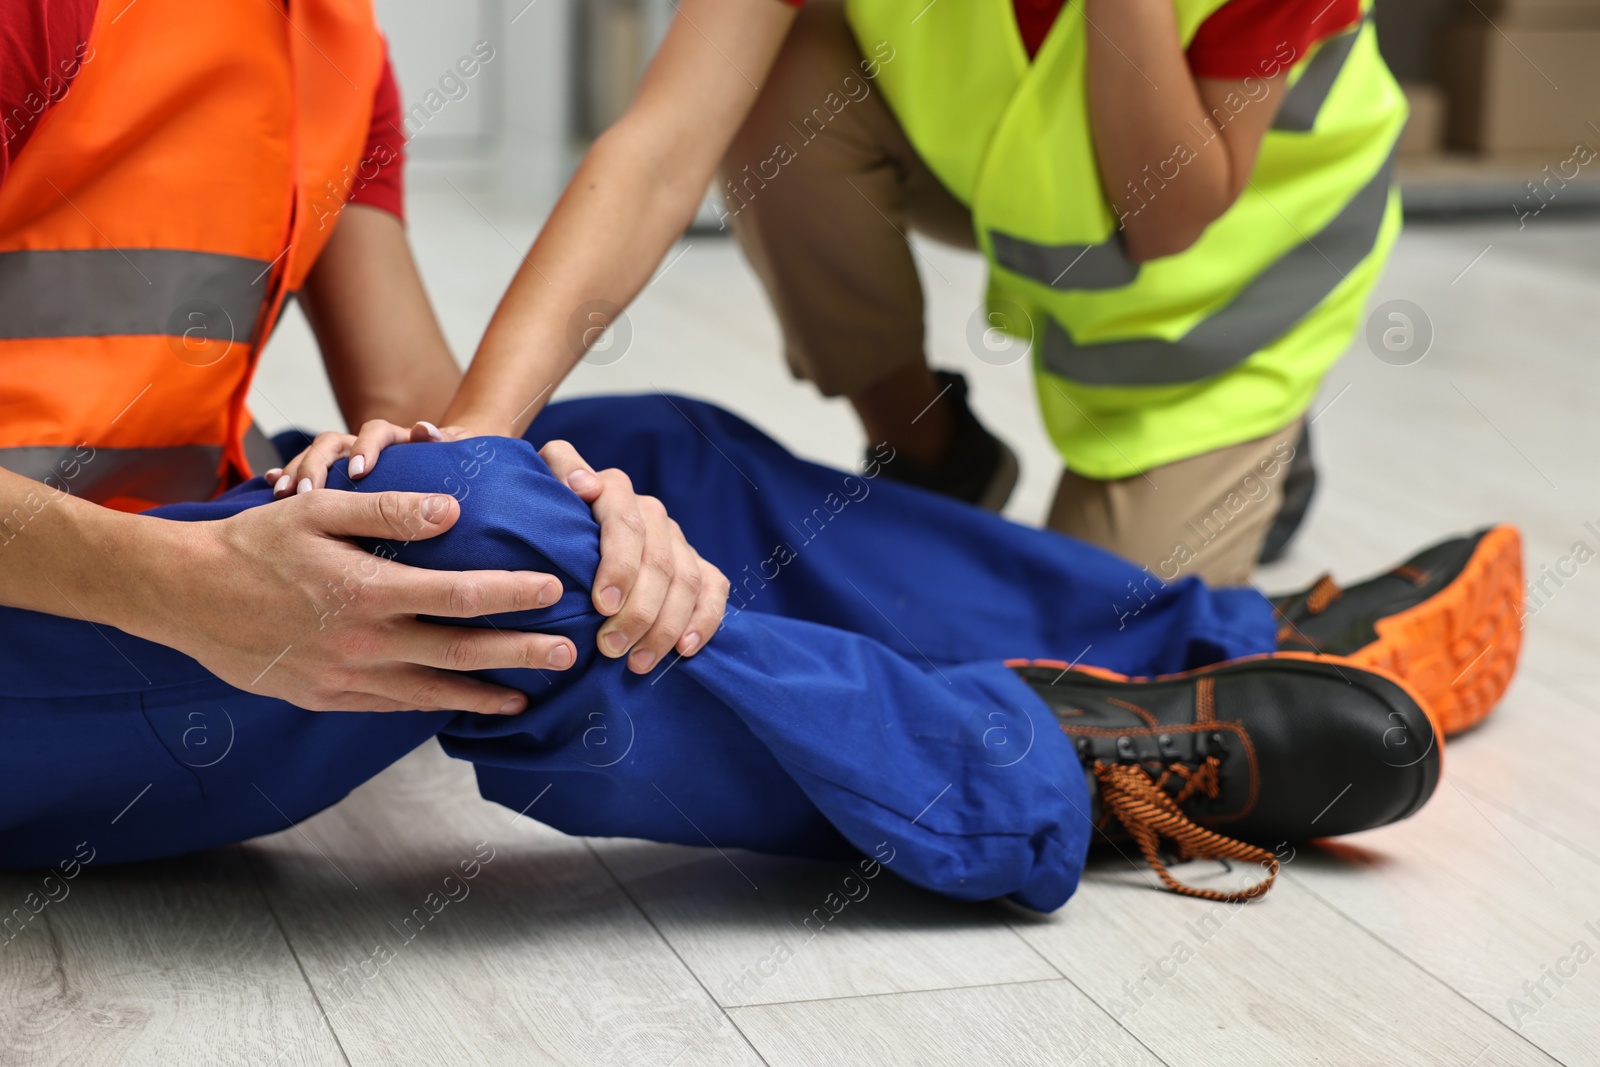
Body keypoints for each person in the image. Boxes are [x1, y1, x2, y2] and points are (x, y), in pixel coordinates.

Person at [0, 389, 1521, 907]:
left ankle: (1237, 637)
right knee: (473, 546)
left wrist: (580, 496)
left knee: (644, 456)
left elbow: (429, 406)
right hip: (75, 607)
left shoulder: (320, 41)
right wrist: (182, 582)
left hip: (193, 514)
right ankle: (1044, 764)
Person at [346, 0, 1407, 586]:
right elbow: (661, 150)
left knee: (1098, 635)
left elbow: (1166, 216)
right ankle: (934, 448)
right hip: (1008, 165)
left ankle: (1266, 445)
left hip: (1232, 259)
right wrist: (479, 428)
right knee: (779, 77)